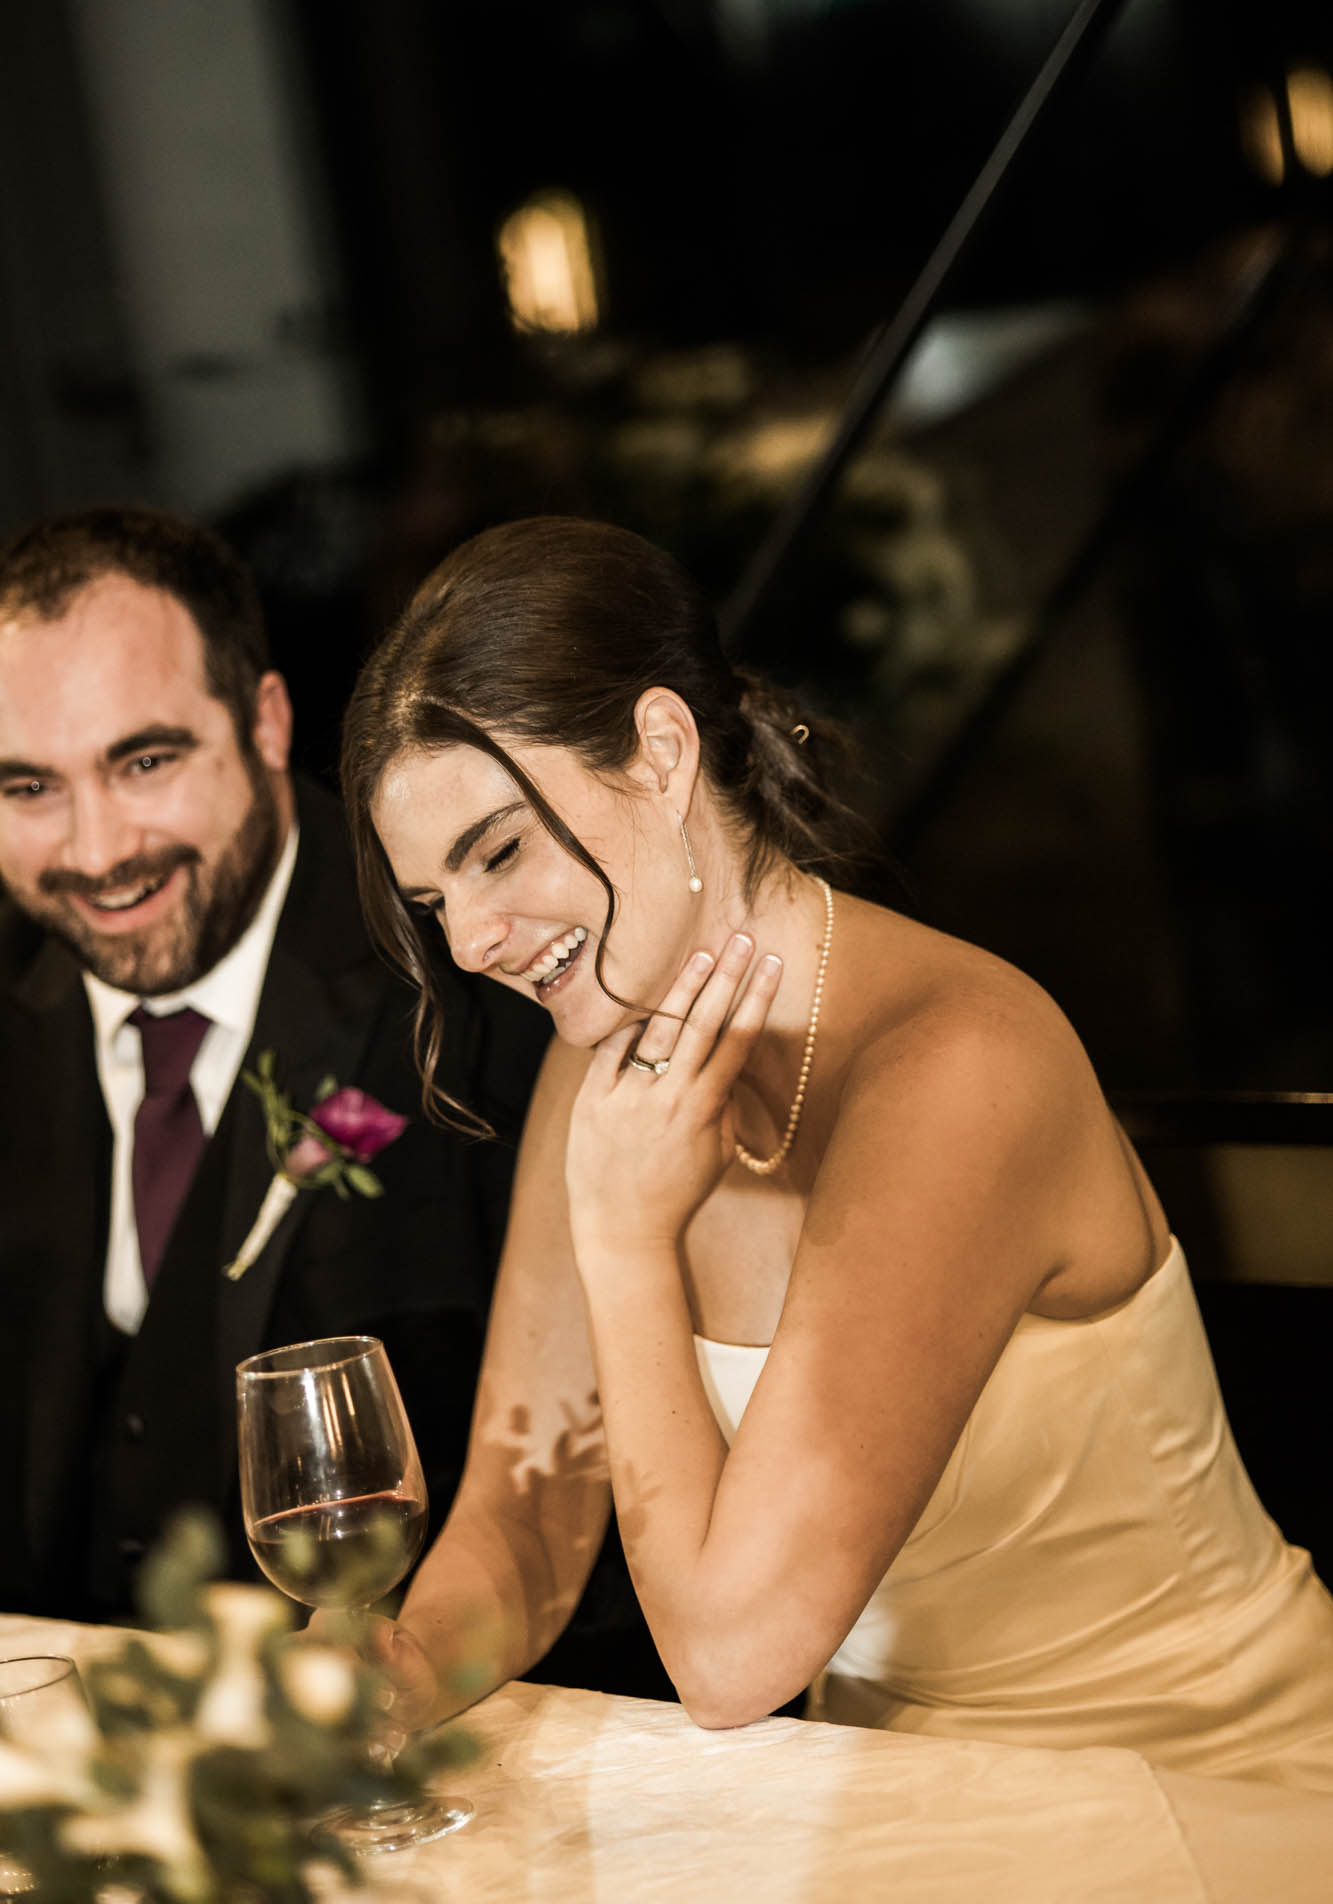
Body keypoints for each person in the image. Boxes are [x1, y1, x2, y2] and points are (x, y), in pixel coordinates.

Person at [340, 513, 1333, 1792]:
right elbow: (529, 1516)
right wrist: (398, 1670)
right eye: (434, 901)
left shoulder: (959, 1065)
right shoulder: (602, 1075)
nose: (470, 940)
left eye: (499, 851)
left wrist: (627, 1237)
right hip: (881, 1793)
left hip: (1190, 1785)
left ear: (659, 749)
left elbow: (731, 1656)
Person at [0, 504, 555, 1629]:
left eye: (144, 760)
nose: (96, 850)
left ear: (264, 718)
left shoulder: (471, 978)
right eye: (26, 788)